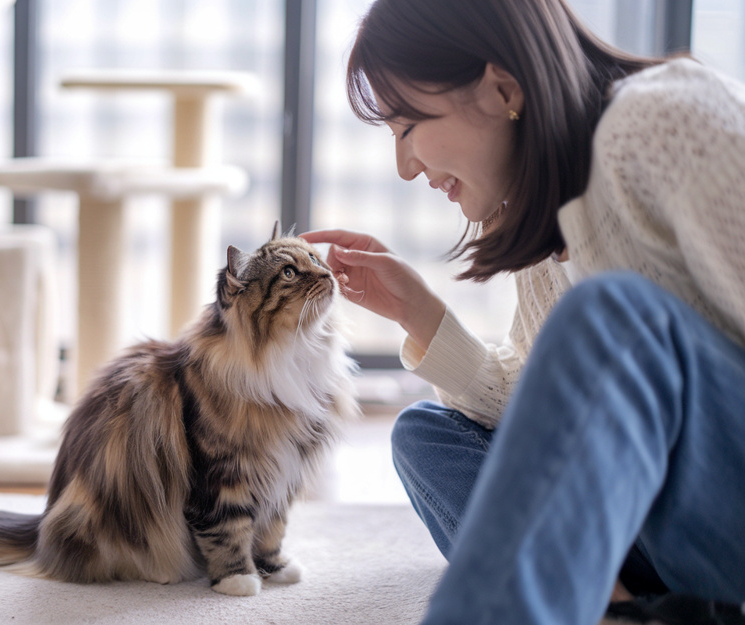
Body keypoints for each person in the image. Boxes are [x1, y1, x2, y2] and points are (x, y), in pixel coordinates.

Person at [300, 1, 745, 623]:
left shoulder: (662, 119)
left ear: (501, 88)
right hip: (670, 535)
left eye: (406, 127)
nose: (404, 168)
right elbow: (543, 415)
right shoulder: (547, 218)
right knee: (428, 434)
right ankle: (629, 609)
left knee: (613, 314)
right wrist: (419, 313)